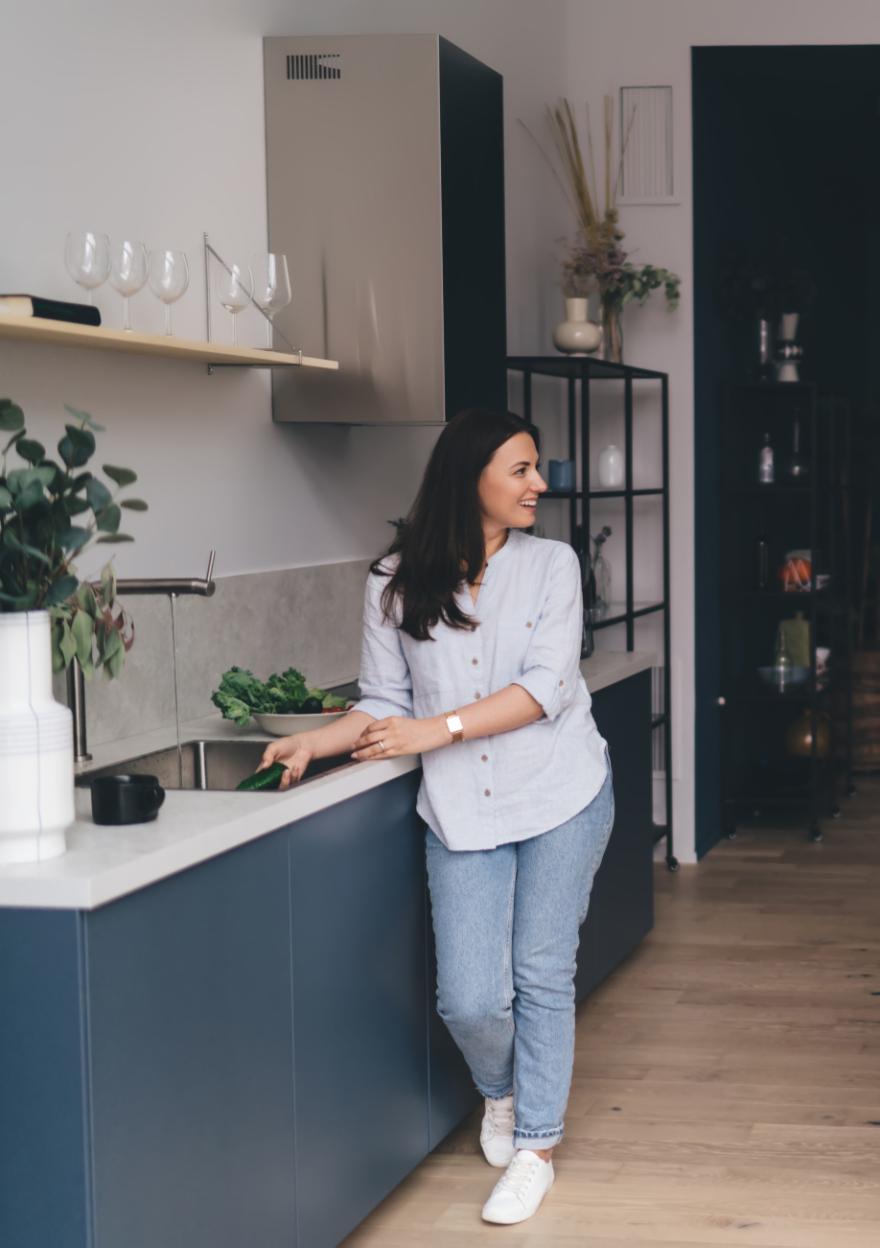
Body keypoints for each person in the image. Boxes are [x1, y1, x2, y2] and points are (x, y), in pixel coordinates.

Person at [257, 408, 611, 1225]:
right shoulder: (392, 580)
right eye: (521, 469)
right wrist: (318, 739)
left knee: (541, 974)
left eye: (537, 467)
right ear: (470, 478)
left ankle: (537, 1147)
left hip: (560, 790)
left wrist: (437, 729)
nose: (540, 484)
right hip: (462, 807)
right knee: (470, 999)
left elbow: (543, 689)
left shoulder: (552, 565)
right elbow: (382, 704)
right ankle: (504, 1091)